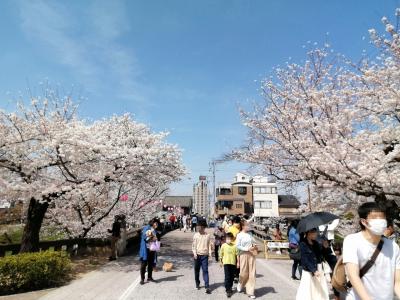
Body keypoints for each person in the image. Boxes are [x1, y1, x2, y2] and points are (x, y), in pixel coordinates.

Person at [343, 202, 400, 300]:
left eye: (382, 217)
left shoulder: (393, 246)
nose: (380, 221)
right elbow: (353, 276)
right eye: (374, 217)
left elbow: (397, 282)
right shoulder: (352, 240)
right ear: (364, 221)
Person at [296, 228, 331, 300]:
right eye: (315, 232)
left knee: (319, 288)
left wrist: (326, 247)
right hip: (309, 270)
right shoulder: (303, 244)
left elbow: (322, 255)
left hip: (318, 268)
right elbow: (305, 259)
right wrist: (313, 270)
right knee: (307, 289)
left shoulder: (315, 243)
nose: (316, 234)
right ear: (309, 233)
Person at [236, 220, 257, 299]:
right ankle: (240, 283)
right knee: (244, 272)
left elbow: (254, 242)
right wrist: (246, 249)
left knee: (252, 272)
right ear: (243, 226)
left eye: (249, 225)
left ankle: (250, 291)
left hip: (251, 254)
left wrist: (254, 245)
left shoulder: (250, 234)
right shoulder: (239, 235)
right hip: (243, 254)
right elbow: (238, 246)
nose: (249, 226)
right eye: (247, 225)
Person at [192, 219, 212, 294]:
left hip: (205, 256)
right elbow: (194, 246)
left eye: (198, 226)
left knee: (205, 270)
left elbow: (209, 245)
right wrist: (194, 254)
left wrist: (210, 254)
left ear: (203, 227)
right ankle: (197, 283)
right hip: (197, 255)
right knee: (196, 271)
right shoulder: (196, 235)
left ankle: (207, 286)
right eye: (197, 226)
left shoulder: (207, 235)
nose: (197, 227)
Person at [139, 218, 159, 285]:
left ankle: (149, 277)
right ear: (152, 223)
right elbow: (145, 238)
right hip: (145, 249)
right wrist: (152, 238)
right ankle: (142, 279)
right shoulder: (146, 228)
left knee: (151, 263)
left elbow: (155, 238)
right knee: (144, 264)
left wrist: (155, 239)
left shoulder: (154, 229)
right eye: (155, 223)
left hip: (152, 248)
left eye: (157, 224)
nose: (156, 225)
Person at [220, 232, 239, 298]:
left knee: (232, 276)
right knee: (227, 276)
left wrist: (238, 262)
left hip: (233, 263)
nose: (228, 240)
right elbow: (221, 254)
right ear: (225, 239)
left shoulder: (234, 246)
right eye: (227, 238)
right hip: (226, 263)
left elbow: (237, 255)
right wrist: (220, 261)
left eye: (230, 239)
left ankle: (230, 287)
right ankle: (228, 290)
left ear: (232, 239)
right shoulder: (223, 245)